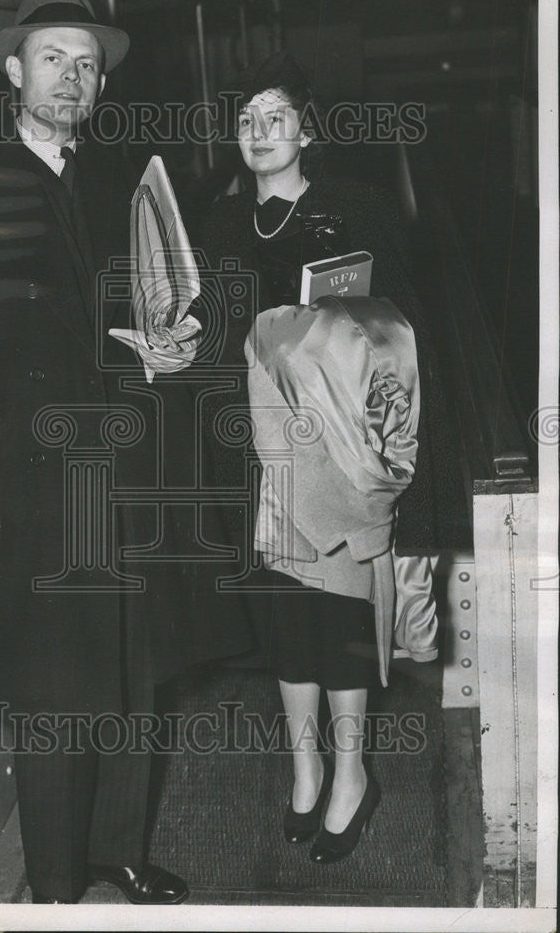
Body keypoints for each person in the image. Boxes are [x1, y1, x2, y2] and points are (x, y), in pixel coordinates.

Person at [0, 0, 210, 905]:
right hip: (33, 477)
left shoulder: (128, 183)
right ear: (14, 72)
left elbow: (171, 303)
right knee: (57, 684)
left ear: (101, 89)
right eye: (52, 60)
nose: (72, 79)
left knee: (132, 669)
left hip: (133, 462)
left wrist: (179, 347)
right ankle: (60, 884)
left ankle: (119, 848)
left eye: (87, 66)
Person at [196, 53, 468, 862]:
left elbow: (402, 325)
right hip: (264, 451)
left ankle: (352, 774)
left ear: (306, 130)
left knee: (343, 619)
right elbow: (214, 332)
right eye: (245, 120)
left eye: (274, 117)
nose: (257, 132)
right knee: (284, 620)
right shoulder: (217, 222)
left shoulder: (354, 205)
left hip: (342, 453)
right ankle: (305, 768)